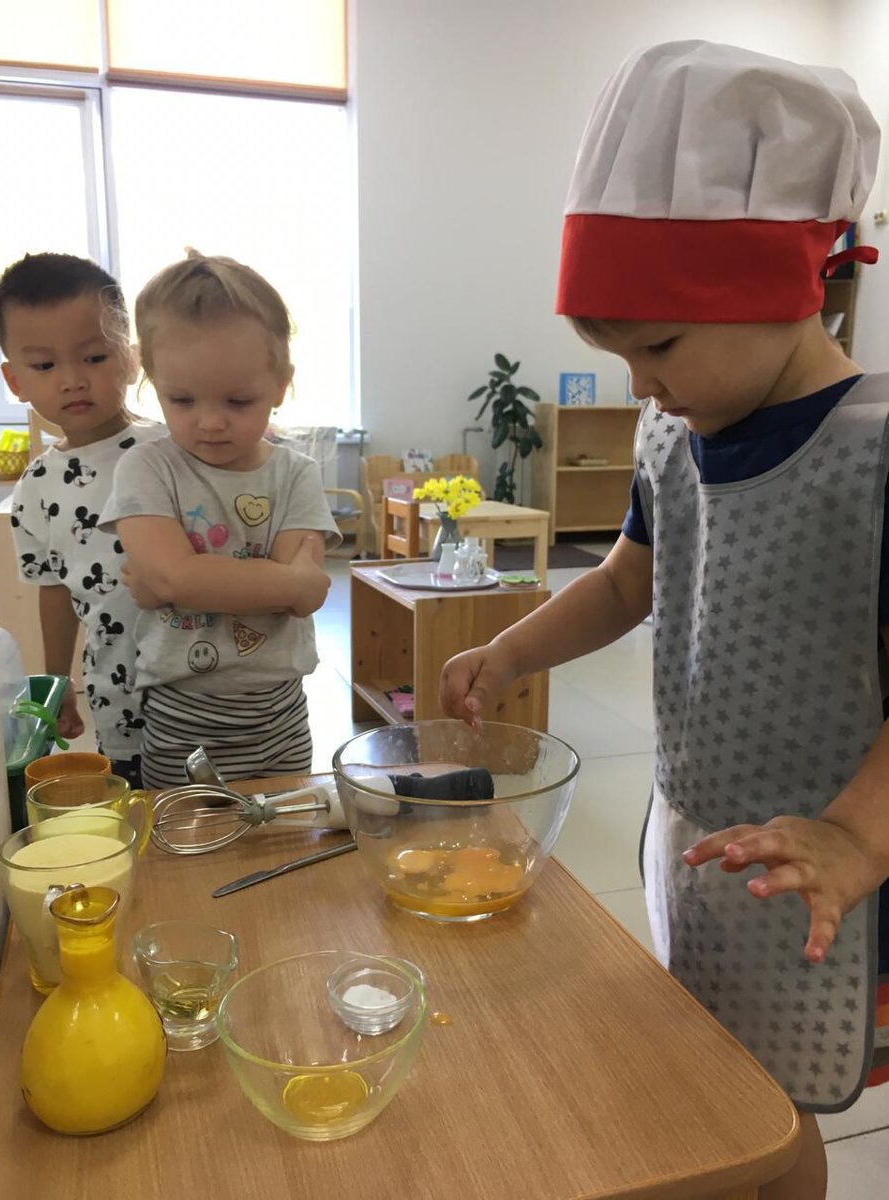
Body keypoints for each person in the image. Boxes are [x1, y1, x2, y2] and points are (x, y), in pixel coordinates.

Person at [439, 41, 889, 1200]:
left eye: (659, 346)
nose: (639, 384)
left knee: (778, 1107)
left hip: (829, 865)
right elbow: (624, 584)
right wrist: (512, 647)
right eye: (618, 353)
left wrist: (855, 838)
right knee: (716, 1072)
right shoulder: (672, 439)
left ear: (785, 288)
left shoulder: (873, 456)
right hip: (698, 836)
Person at [100, 251, 339, 787]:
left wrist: (184, 581)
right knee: (184, 834)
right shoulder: (145, 467)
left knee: (284, 830)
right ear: (151, 380)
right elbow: (177, 578)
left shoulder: (296, 473)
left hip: (281, 713)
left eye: (238, 400)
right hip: (182, 715)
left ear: (281, 384)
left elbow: (297, 599)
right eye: (182, 400)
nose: (210, 422)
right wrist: (292, 581)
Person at [0, 252, 165, 787]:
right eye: (44, 366)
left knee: (217, 807)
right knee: (137, 807)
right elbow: (54, 591)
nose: (72, 380)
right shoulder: (34, 489)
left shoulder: (172, 451)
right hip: (115, 692)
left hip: (202, 684)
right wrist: (56, 679)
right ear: (14, 380)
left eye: (93, 357)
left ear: (131, 358)